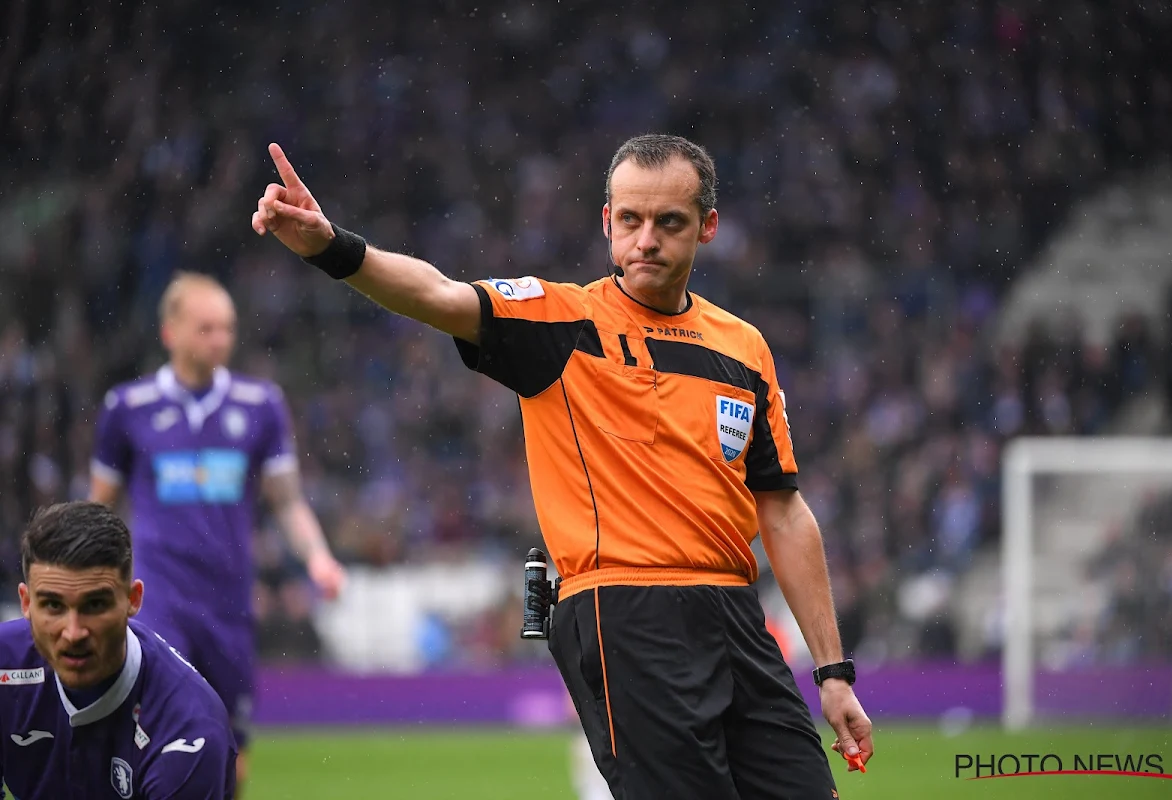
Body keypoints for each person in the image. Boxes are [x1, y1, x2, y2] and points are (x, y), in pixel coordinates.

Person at [252, 134, 873, 798]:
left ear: (708, 228)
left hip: (736, 615)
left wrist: (833, 671)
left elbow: (783, 509)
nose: (646, 240)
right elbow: (437, 295)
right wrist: (331, 247)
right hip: (624, 611)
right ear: (607, 222)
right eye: (630, 220)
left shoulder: (744, 348)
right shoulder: (562, 322)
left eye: (670, 223)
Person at [89, 272, 346, 795]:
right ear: (171, 333)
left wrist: (319, 557)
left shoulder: (260, 405)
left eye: (226, 328)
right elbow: (98, 509)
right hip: (158, 602)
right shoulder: (128, 409)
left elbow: (288, 499)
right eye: (206, 329)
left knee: (232, 749)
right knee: (155, 735)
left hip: (229, 604)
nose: (220, 340)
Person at [0, 501, 237, 799]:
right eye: (53, 605)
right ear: (26, 603)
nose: (74, 633)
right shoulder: (4, 667)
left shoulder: (187, 733)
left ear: (133, 599)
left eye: (95, 605)